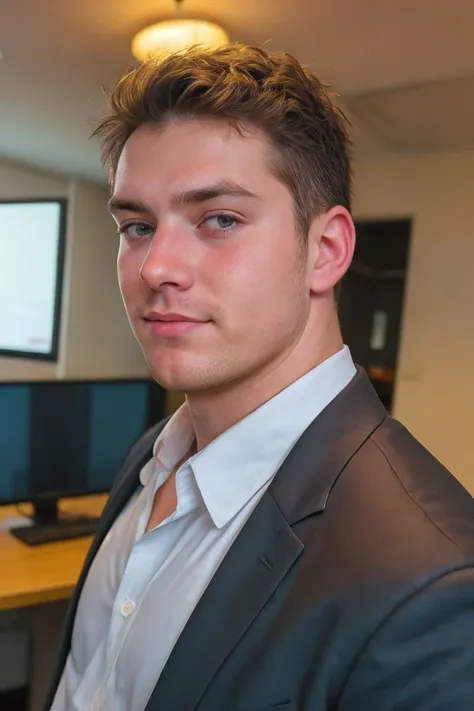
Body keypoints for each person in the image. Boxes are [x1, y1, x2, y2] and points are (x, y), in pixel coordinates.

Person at [47, 45, 474, 711]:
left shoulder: (434, 583)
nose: (158, 266)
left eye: (219, 219)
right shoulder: (154, 452)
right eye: (136, 225)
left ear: (325, 251)